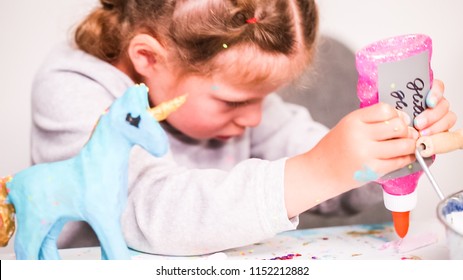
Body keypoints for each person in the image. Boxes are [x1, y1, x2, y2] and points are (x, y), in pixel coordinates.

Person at [31, 0, 456, 256]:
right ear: (148, 58)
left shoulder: (240, 102)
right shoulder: (74, 91)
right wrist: (320, 168)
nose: (255, 117)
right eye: (234, 101)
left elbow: (317, 154)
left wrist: (387, 156)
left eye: (264, 98)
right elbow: (147, 212)